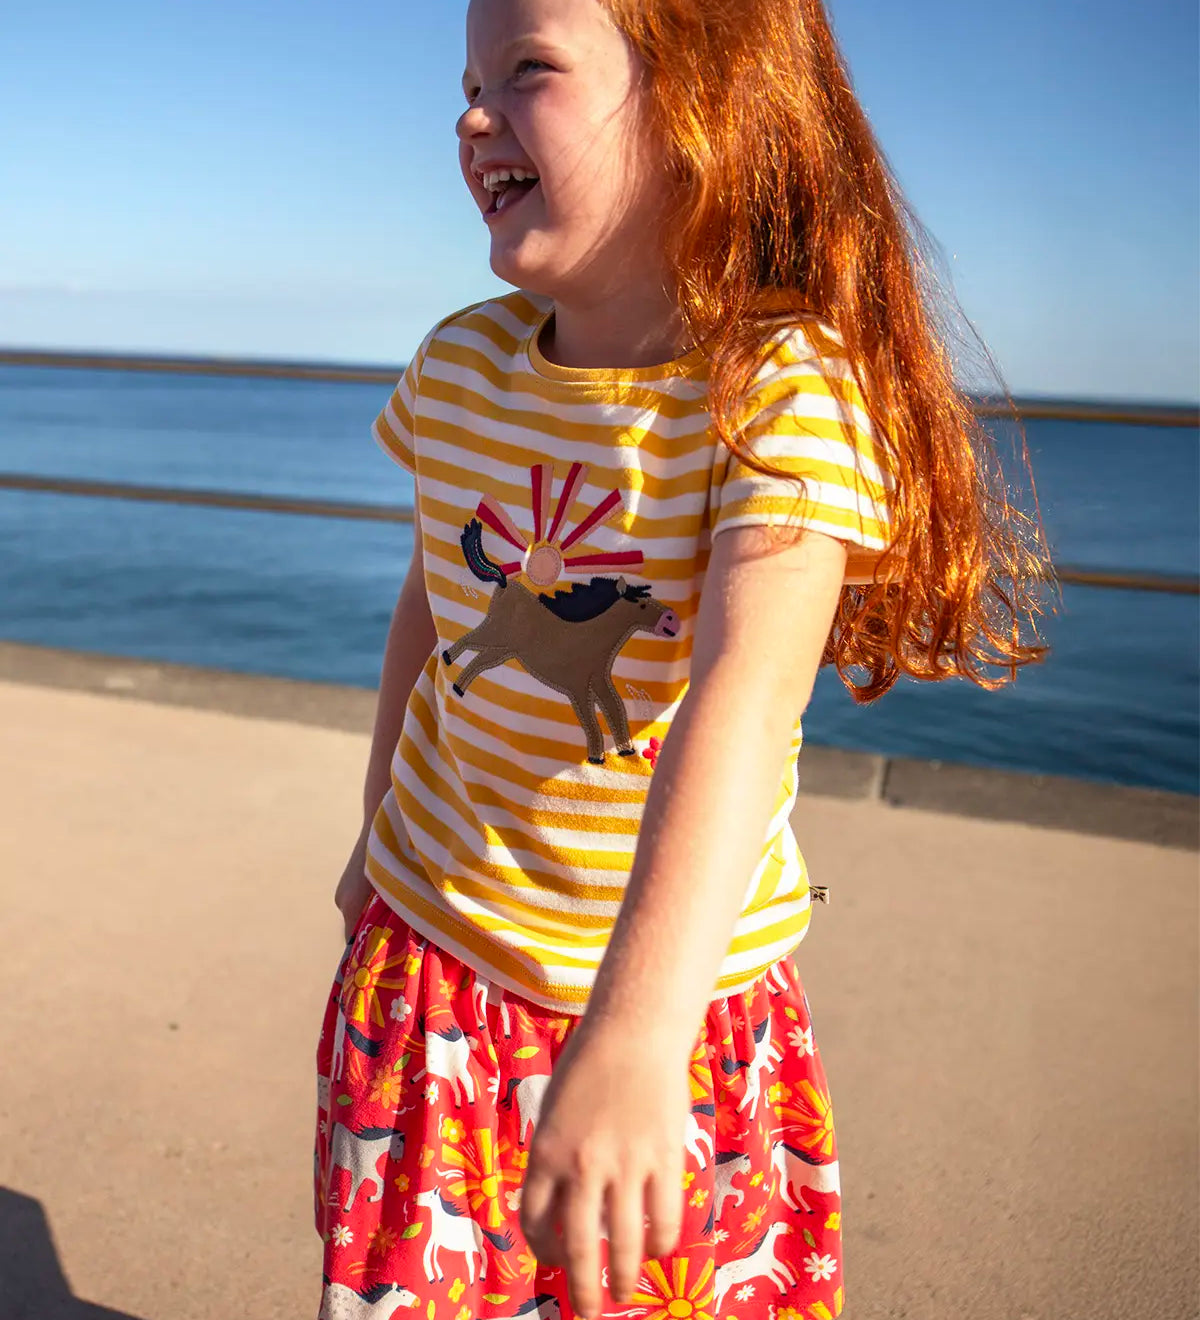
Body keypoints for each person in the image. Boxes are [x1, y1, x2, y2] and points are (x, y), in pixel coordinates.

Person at [313, 0, 1047, 1316]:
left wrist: (637, 1035)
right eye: (467, 81)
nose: (472, 116)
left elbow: (745, 696)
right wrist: (377, 831)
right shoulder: (462, 366)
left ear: (709, 103)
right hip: (430, 961)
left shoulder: (782, 391)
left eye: (527, 70)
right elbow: (433, 608)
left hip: (670, 1004)